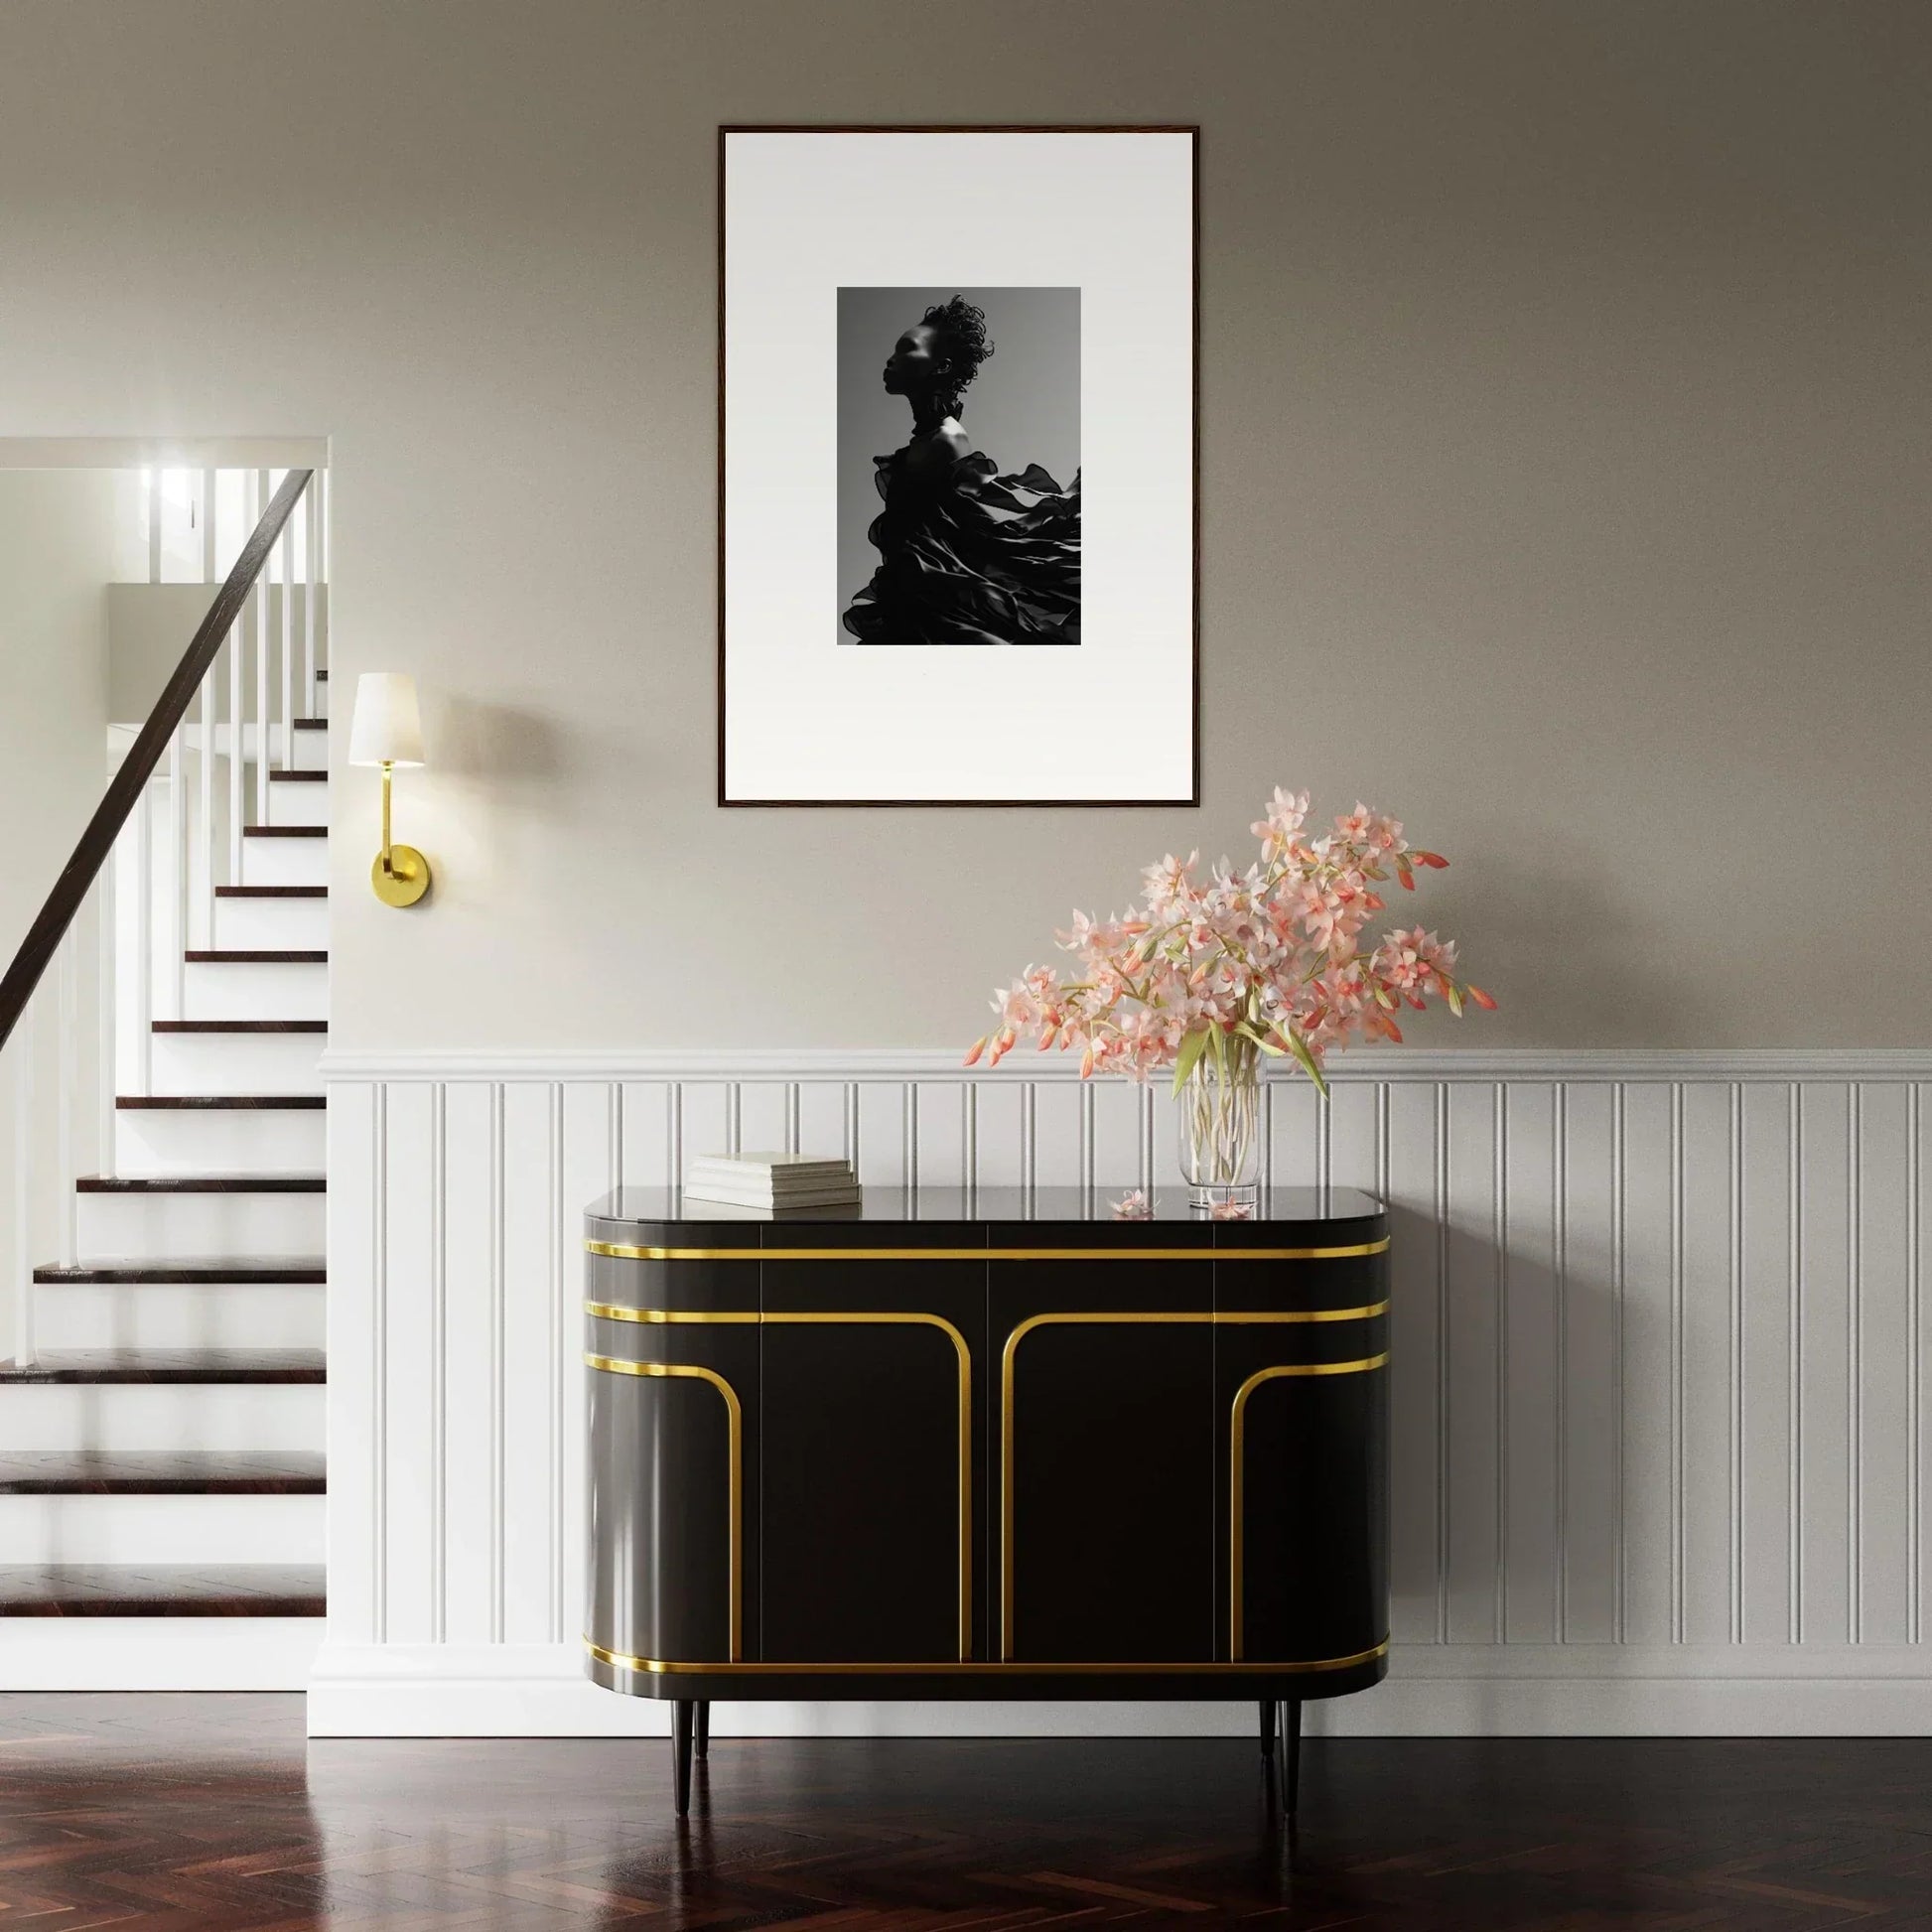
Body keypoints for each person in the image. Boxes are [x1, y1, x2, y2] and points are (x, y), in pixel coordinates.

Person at [842, 296, 1079, 646]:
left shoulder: (945, 440)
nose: (891, 358)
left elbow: (977, 528)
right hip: (912, 596)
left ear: (940, 367)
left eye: (907, 349)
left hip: (932, 602)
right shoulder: (927, 439)